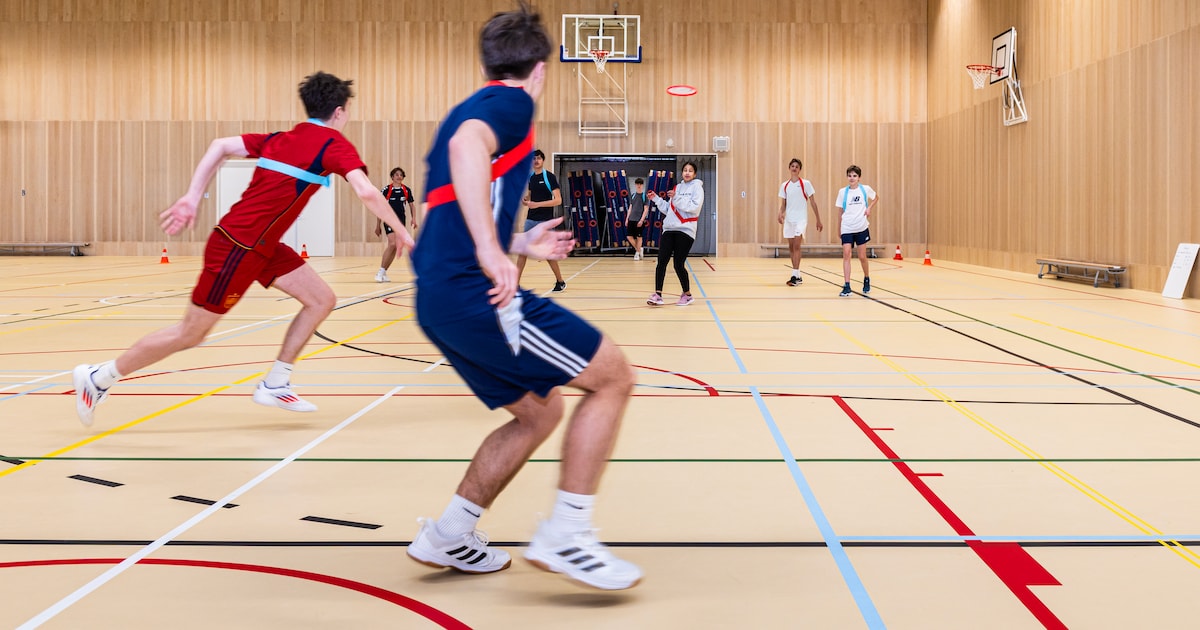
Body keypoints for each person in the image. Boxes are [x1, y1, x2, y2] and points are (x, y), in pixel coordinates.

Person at [405, 4, 642, 591]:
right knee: (612, 376)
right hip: (473, 293)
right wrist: (492, 252)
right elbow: (467, 151)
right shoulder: (512, 105)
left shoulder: (470, 106)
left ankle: (450, 533)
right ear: (540, 68)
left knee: (540, 411)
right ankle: (569, 533)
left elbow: (451, 204)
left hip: (437, 296)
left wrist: (516, 241)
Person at [71, 72, 413, 427]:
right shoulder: (333, 143)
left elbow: (220, 145)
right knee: (191, 333)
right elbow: (368, 191)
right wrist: (403, 232)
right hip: (237, 246)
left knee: (321, 299)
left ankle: (276, 382)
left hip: (263, 246)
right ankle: (99, 378)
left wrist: (192, 195)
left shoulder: (280, 138)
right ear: (340, 111)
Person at [645, 161, 704, 306]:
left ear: (694, 174)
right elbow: (669, 209)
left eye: (690, 170)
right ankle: (657, 294)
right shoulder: (677, 187)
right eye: (685, 170)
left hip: (686, 230)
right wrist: (657, 199)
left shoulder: (697, 188)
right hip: (669, 229)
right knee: (662, 262)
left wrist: (676, 198)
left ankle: (687, 295)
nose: (687, 172)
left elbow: (694, 208)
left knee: (678, 264)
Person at [515, 149, 566, 292]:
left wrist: (537, 204)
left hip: (545, 221)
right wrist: (527, 199)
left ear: (543, 160)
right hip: (531, 219)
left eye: (538, 158)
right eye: (533, 158)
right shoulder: (531, 177)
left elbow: (558, 200)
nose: (536, 161)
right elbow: (531, 195)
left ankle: (560, 281)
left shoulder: (549, 177)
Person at [834, 164, 879, 297]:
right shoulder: (843, 192)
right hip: (847, 227)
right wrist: (839, 228)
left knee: (862, 257)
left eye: (854, 176)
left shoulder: (865, 189)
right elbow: (840, 210)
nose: (852, 178)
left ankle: (866, 278)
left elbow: (876, 197)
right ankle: (847, 285)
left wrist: (869, 207)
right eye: (850, 176)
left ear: (859, 177)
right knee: (846, 254)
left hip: (861, 227)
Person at [777, 158, 823, 285]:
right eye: (792, 166)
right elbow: (784, 204)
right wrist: (780, 213)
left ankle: (795, 275)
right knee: (791, 247)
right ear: (789, 168)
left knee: (797, 245)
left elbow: (813, 203)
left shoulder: (805, 184)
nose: (794, 168)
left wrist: (818, 219)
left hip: (801, 219)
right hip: (789, 220)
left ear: (800, 169)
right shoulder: (785, 185)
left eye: (796, 166)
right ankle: (797, 275)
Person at [373, 167, 417, 282]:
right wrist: (378, 225)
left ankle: (384, 272)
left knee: (395, 247)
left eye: (401, 175)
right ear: (392, 177)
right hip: (388, 219)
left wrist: (414, 219)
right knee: (392, 244)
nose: (399, 176)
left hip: (400, 222)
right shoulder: (386, 190)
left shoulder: (406, 190)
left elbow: (412, 206)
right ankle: (380, 272)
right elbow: (379, 207)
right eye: (396, 174)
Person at [625, 177, 648, 260]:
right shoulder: (633, 195)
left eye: (640, 184)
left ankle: (637, 253)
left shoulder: (644, 196)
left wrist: (641, 220)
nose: (639, 185)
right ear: (635, 185)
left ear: (642, 185)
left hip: (639, 220)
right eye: (637, 184)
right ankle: (639, 249)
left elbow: (646, 209)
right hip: (631, 219)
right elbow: (630, 208)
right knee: (629, 236)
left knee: (639, 237)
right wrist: (627, 218)